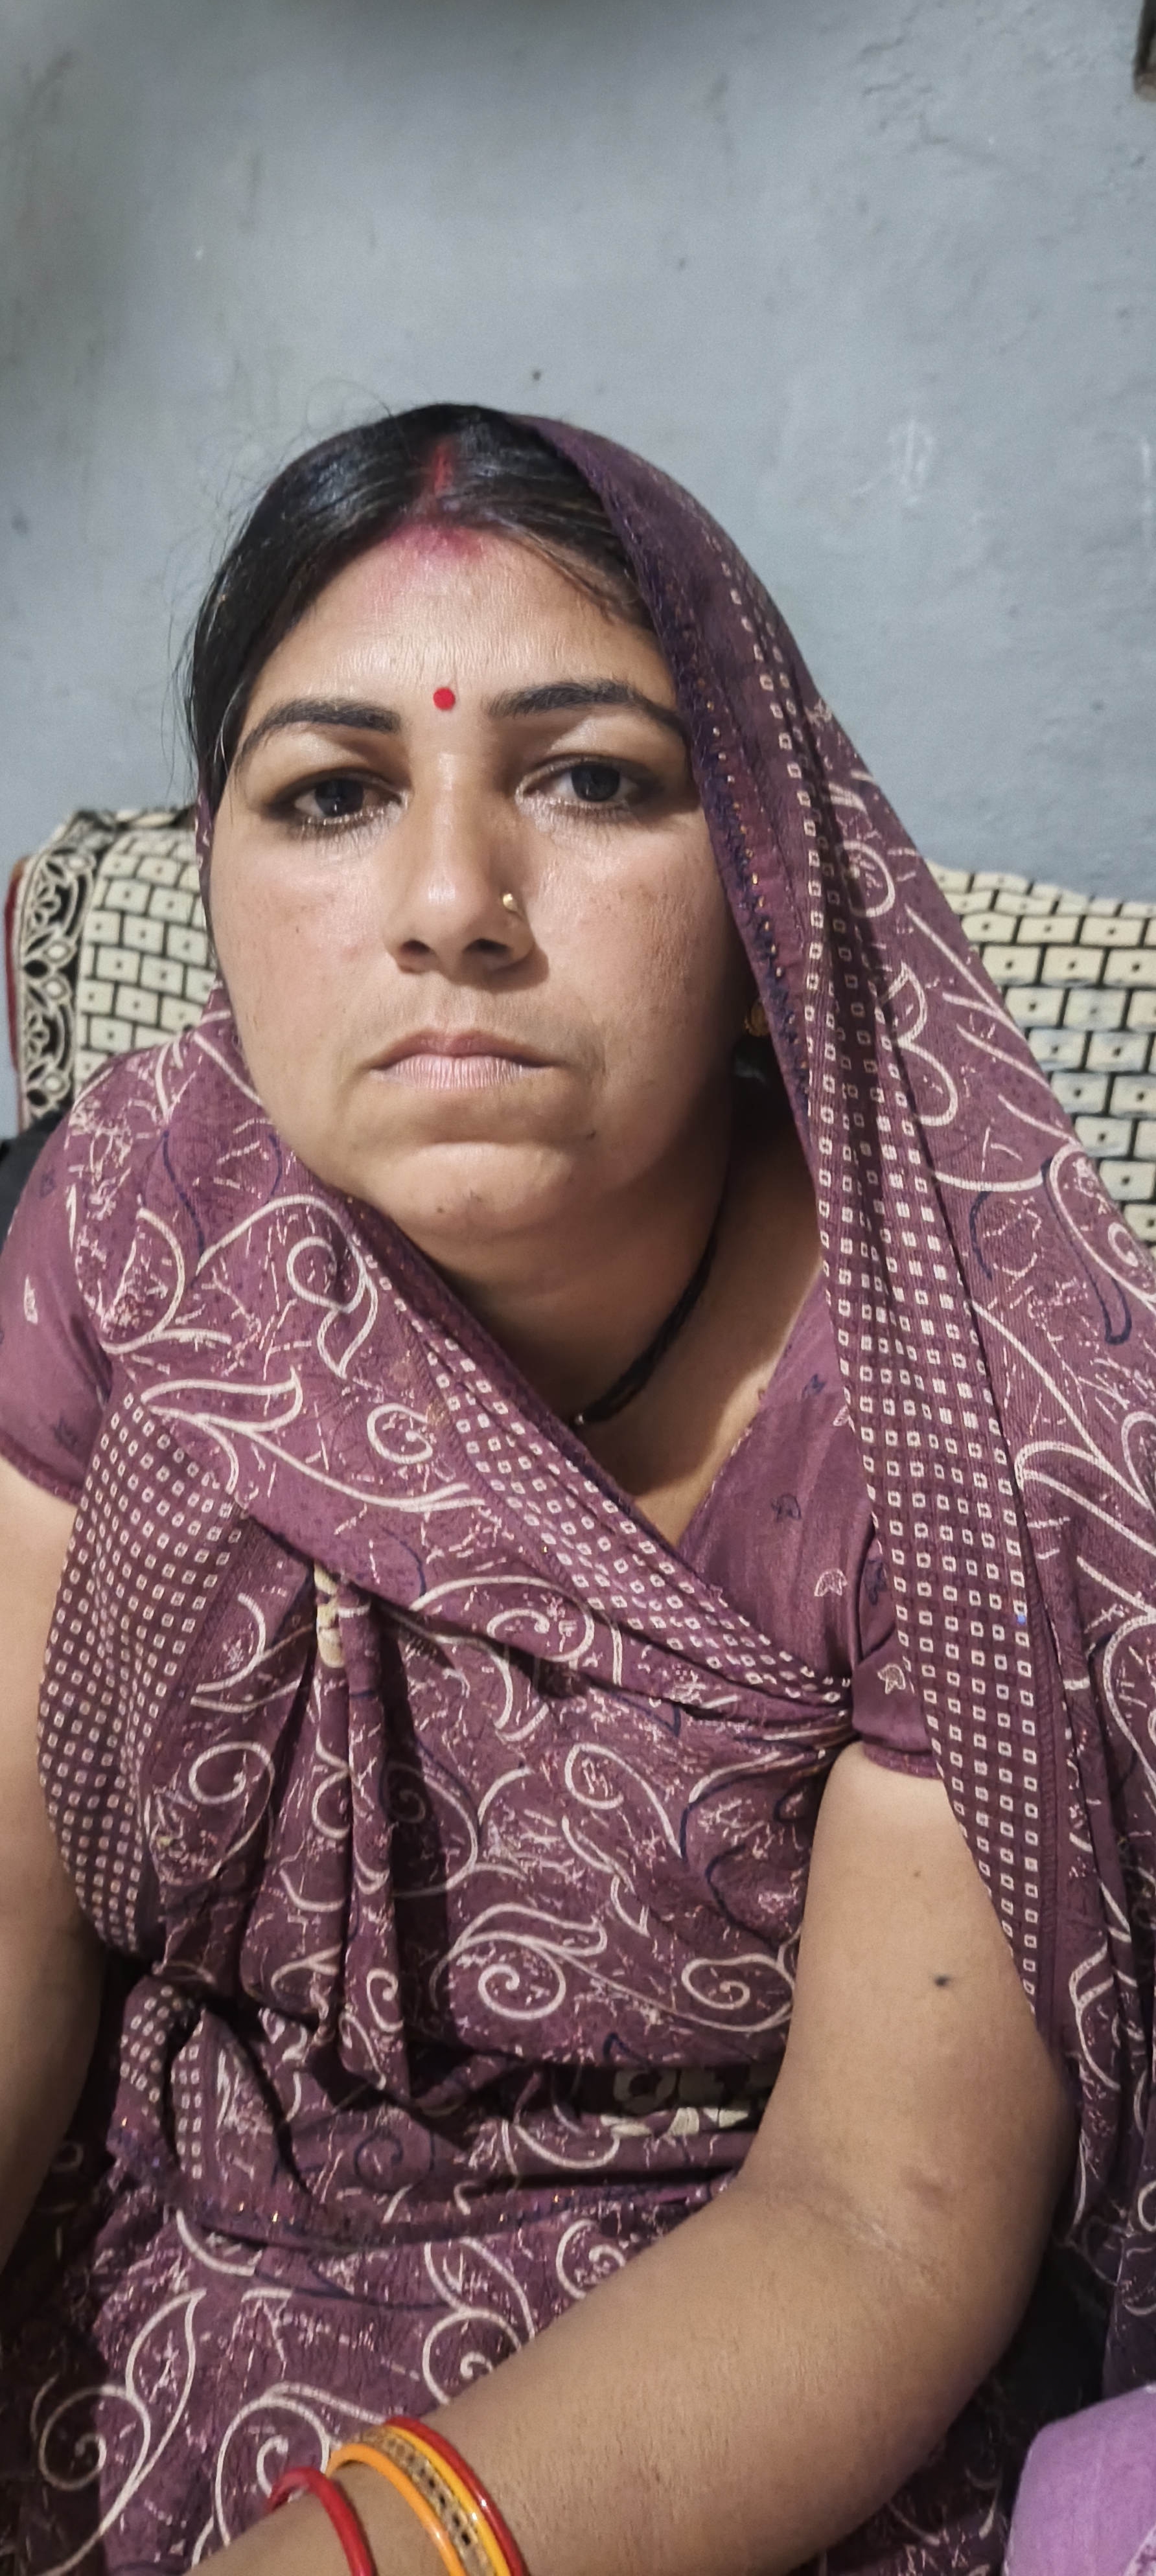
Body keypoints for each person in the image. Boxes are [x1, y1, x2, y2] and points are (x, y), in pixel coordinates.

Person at [0, 402, 1151, 2576]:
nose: (452, 907)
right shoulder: (144, 1217)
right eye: (333, 795)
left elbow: (872, 2218)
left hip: (697, 2364)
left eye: (594, 780)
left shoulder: (976, 1416)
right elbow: (10, 1921)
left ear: (771, 879)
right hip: (143, 2218)